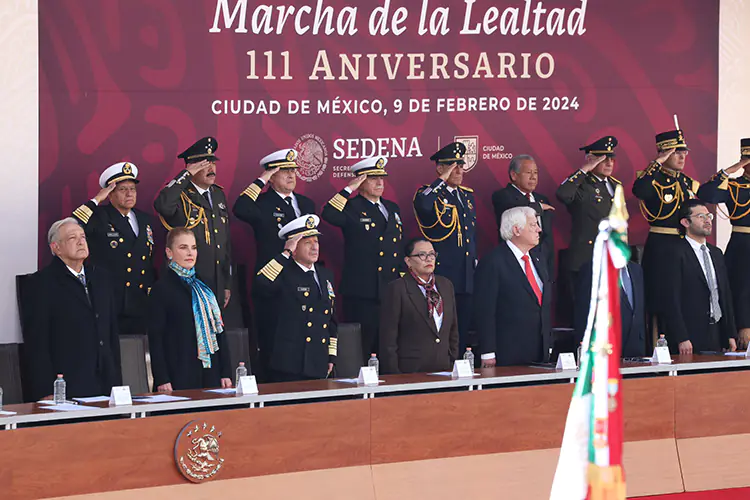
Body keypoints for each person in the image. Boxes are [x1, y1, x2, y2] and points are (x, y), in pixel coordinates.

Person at [233, 148, 316, 378]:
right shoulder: (263, 203)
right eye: (284, 172)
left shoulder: (306, 204)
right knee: (274, 343)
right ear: (272, 177)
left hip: (302, 280)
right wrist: (262, 179)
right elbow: (240, 208)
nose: (291, 176)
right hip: (274, 281)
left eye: (293, 171)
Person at [25, 218, 122, 400]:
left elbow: (111, 333)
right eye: (72, 238)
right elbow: (37, 342)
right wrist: (45, 389)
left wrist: (117, 381)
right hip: (67, 385)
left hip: (105, 383)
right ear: (56, 247)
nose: (80, 241)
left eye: (83, 237)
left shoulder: (101, 278)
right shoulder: (41, 283)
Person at [321, 156, 403, 362]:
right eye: (373, 178)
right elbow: (328, 213)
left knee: (389, 345)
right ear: (360, 182)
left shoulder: (392, 208)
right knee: (364, 346)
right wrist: (349, 188)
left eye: (381, 178)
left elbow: (398, 247)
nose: (379, 183)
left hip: (389, 287)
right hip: (363, 290)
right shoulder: (352, 207)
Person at [71, 162, 156, 336]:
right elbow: (72, 226)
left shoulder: (144, 218)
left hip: (140, 300)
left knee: (138, 351)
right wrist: (97, 200)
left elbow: (148, 259)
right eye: (123, 189)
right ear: (110, 194)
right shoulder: (99, 216)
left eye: (132, 189)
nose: (129, 193)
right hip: (110, 299)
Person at [632, 128, 700, 343]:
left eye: (684, 152)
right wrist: (656, 163)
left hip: (684, 244)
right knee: (661, 298)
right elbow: (640, 191)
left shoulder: (686, 182)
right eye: (676, 152)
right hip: (661, 245)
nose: (682, 157)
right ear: (664, 153)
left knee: (686, 295)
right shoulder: (653, 178)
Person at [147, 228, 232, 391]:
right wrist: (162, 377)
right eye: (183, 247)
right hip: (179, 373)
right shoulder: (162, 288)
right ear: (169, 252)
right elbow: (156, 338)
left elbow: (219, 331)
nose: (190, 253)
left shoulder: (205, 285)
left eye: (193, 248)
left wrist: (225, 372)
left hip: (210, 372)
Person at [254, 215, 337, 382]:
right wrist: (285, 253)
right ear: (294, 248)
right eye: (308, 243)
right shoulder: (283, 272)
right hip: (289, 363)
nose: (315, 247)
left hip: (317, 361)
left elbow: (330, 319)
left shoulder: (325, 274)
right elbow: (261, 284)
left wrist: (330, 356)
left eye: (316, 242)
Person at [413, 141, 477, 352]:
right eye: (452, 166)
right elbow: (422, 204)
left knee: (464, 326)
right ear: (440, 168)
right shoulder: (431, 193)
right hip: (444, 274)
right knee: (442, 326)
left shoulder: (466, 196)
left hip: (466, 274)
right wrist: (441, 179)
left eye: (460, 165)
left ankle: (461, 365)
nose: (458, 170)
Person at [154, 136, 232, 306]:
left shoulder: (218, 194)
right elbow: (162, 205)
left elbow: (224, 242)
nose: (211, 168)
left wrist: (226, 283)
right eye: (205, 164)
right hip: (188, 284)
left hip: (216, 283)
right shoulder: (179, 194)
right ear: (192, 167)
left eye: (213, 163)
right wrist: (186, 175)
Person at [475, 207, 552, 367]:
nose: (539, 229)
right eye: (533, 225)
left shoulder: (538, 259)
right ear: (517, 230)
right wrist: (488, 352)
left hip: (540, 353)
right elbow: (485, 311)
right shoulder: (494, 262)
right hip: (508, 354)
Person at [662, 200, 737, 355]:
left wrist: (730, 333)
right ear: (685, 222)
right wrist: (681, 337)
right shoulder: (674, 252)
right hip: (689, 334)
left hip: (717, 331)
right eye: (701, 216)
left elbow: (725, 295)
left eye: (709, 215)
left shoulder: (716, 253)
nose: (707, 220)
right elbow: (671, 298)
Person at [698, 140, 750, 348]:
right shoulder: (735, 186)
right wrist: (729, 171)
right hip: (743, 244)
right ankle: (743, 327)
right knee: (741, 286)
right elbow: (706, 194)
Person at [379, 238, 458, 374]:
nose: (429, 259)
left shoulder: (446, 285)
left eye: (432, 254)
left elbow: (453, 330)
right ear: (408, 261)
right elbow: (388, 339)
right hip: (411, 371)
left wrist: (452, 361)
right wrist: (395, 376)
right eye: (422, 255)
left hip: (444, 369)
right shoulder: (398, 288)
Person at [492, 154, 555, 277]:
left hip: (542, 264)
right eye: (528, 173)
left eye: (535, 173)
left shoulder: (542, 199)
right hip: (515, 263)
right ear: (514, 175)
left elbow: (547, 238)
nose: (533, 177)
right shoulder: (503, 196)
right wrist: (538, 207)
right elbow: (516, 208)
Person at [575, 260, 646, 358]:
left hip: (636, 349)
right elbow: (583, 312)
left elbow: (638, 309)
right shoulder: (593, 269)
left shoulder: (636, 270)